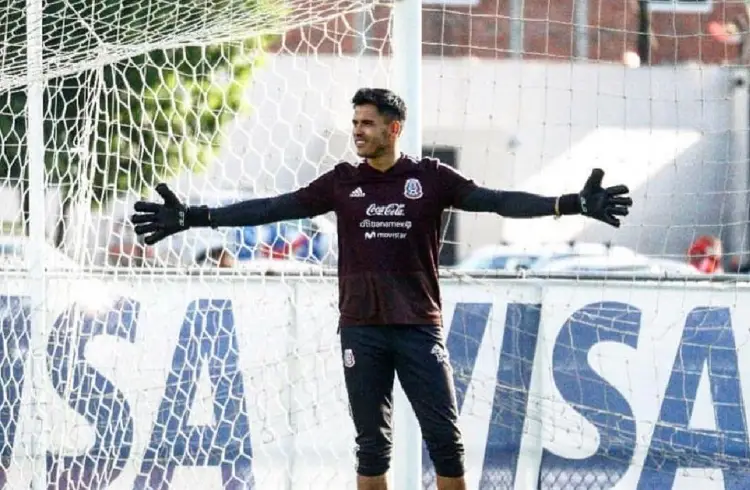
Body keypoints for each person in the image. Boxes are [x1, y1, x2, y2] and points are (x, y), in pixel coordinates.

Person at [130, 88, 633, 490]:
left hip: (418, 329)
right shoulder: (341, 181)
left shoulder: (431, 179)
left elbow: (498, 201)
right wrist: (194, 217)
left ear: (394, 128)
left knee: (446, 442)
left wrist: (570, 203)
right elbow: (270, 208)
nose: (358, 133)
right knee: (371, 445)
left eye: (367, 123)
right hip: (361, 331)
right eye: (354, 124)